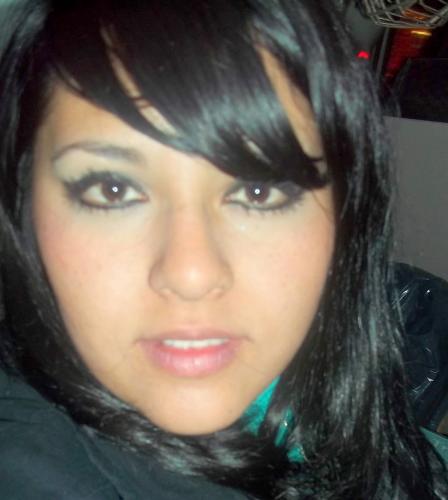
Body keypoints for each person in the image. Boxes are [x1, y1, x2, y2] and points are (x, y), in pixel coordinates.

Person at [0, 1, 446, 498]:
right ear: (23, 210)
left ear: (347, 216)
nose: (191, 273)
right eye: (113, 190)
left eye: (259, 192)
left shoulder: (336, 396)